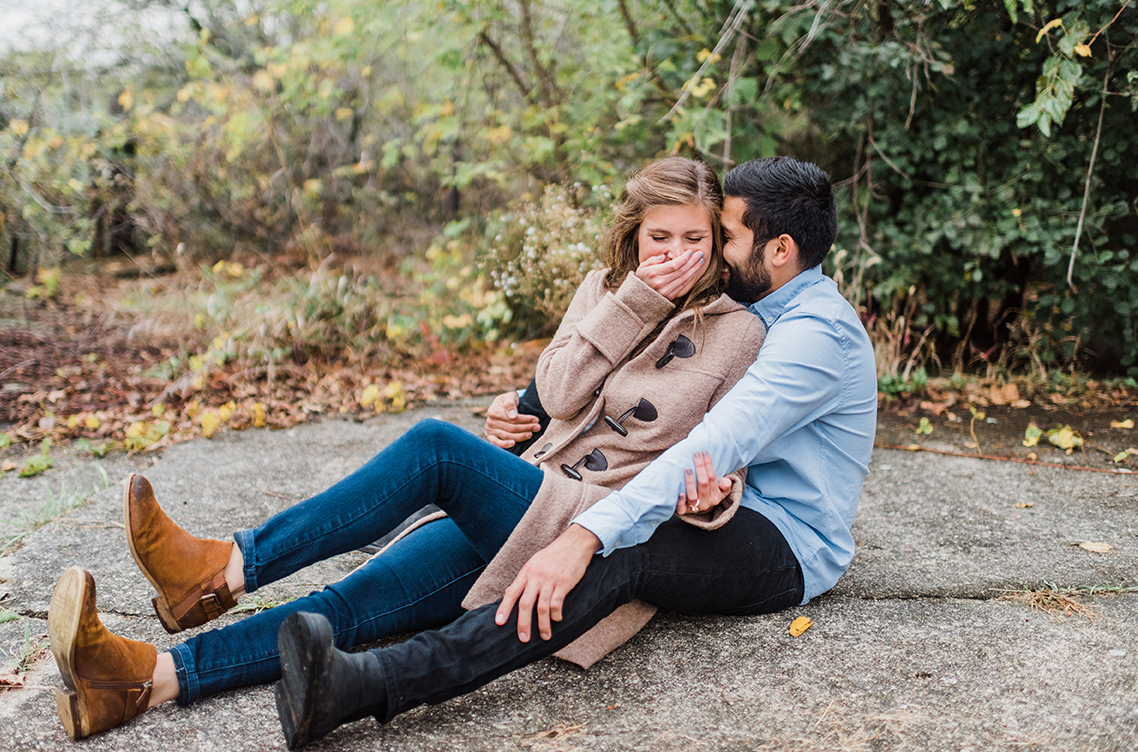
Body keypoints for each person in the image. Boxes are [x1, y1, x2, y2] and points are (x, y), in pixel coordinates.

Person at [46, 156, 768, 741]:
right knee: (350, 605)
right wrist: (635, 300)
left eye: (693, 241)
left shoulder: (739, 334)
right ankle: (142, 680)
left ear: (716, 246)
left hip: (589, 529)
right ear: (634, 235)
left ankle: (224, 567)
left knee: (433, 449)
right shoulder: (604, 290)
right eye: (659, 238)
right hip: (531, 491)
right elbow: (556, 390)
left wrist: (713, 499)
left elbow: (723, 456)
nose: (674, 255)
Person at [271, 155, 879, 749]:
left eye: (726, 236)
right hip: (719, 501)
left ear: (779, 250)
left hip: (787, 541)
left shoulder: (814, 337)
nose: (714, 250)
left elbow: (710, 444)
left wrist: (579, 536)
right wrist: (526, 408)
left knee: (620, 554)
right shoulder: (764, 306)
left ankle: (370, 685)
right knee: (589, 534)